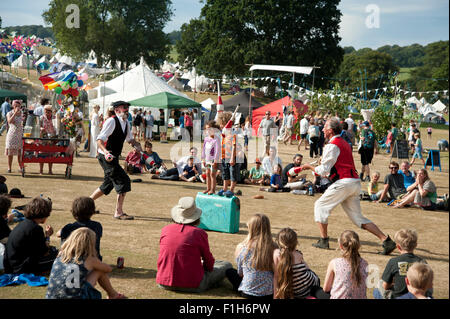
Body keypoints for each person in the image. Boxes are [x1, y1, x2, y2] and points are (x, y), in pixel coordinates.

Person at [300, 118, 396, 254]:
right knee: (358, 218)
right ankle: (386, 241)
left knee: (320, 206)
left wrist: (307, 166)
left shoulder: (332, 145)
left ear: (330, 131)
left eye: (324, 128)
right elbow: (335, 163)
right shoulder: (344, 143)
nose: (322, 130)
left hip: (344, 182)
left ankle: (324, 240)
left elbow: (323, 171)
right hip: (354, 182)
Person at [156, 197, 232, 292]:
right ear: (196, 217)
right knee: (227, 265)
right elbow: (208, 262)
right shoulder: (199, 233)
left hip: (164, 282)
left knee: (217, 263)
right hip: (193, 284)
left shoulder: (166, 229)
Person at [89, 101, 142, 220]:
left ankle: (86, 205)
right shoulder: (111, 121)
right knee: (123, 180)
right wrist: (106, 151)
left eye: (128, 108)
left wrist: (137, 145)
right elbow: (99, 140)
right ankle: (118, 212)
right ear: (117, 110)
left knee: (107, 185)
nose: (127, 110)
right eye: (124, 108)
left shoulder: (126, 123)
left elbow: (130, 140)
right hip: (106, 156)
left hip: (114, 157)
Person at [46, 227, 126, 299]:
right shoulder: (89, 259)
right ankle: (113, 295)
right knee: (99, 270)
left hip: (52, 296)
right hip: (76, 296)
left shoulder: (61, 255)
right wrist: (95, 263)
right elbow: (108, 269)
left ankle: (113, 295)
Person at [3, 196, 58, 274]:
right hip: (21, 268)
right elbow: (44, 252)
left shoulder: (23, 225)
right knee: (59, 257)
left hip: (11, 266)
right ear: (44, 214)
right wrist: (48, 236)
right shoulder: (35, 229)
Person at [225, 214, 275, 299]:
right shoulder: (274, 247)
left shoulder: (242, 247)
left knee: (229, 271)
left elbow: (240, 274)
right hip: (269, 292)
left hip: (248, 292)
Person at [373, 229, 430, 299]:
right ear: (416, 245)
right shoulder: (423, 262)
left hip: (398, 296)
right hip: (417, 296)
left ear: (398, 247)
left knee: (377, 288)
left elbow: (385, 286)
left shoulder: (393, 261)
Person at [273, 228, 321, 299]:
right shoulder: (298, 254)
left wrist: (275, 294)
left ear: (279, 242)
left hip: (293, 290)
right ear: (295, 242)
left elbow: (275, 277)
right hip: (308, 286)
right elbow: (307, 269)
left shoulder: (277, 255)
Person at [320, 230, 368, 299]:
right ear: (358, 246)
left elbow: (326, 289)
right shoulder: (365, 264)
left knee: (316, 290)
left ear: (341, 246)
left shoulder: (335, 263)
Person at [217, 111, 242, 197]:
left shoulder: (233, 134)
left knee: (232, 173)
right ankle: (224, 188)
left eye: (222, 124)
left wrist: (232, 158)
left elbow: (234, 146)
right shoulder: (223, 135)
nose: (220, 126)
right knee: (225, 173)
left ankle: (231, 189)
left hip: (232, 157)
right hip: (224, 156)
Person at [5, 100, 24, 174]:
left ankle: (20, 167)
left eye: (18, 106)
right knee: (10, 153)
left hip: (20, 135)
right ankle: (9, 168)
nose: (16, 107)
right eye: (15, 106)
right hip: (12, 135)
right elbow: (9, 121)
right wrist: (15, 113)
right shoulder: (9, 113)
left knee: (20, 153)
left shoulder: (22, 113)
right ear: (12, 106)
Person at [202, 120, 220, 194]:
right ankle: (208, 188)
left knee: (212, 174)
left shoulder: (216, 139)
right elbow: (204, 149)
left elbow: (217, 151)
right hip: (207, 159)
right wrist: (203, 158)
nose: (208, 130)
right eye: (206, 129)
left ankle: (212, 189)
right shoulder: (206, 139)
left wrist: (215, 160)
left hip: (213, 160)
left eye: (209, 128)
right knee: (207, 173)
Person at [39, 105, 56, 175]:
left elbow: (57, 127)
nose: (47, 113)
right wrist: (41, 128)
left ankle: (50, 170)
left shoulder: (54, 118)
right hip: (43, 137)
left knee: (51, 154)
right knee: (42, 154)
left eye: (49, 111)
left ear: (51, 112)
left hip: (52, 138)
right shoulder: (41, 118)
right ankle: (41, 171)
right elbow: (38, 126)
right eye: (46, 111)